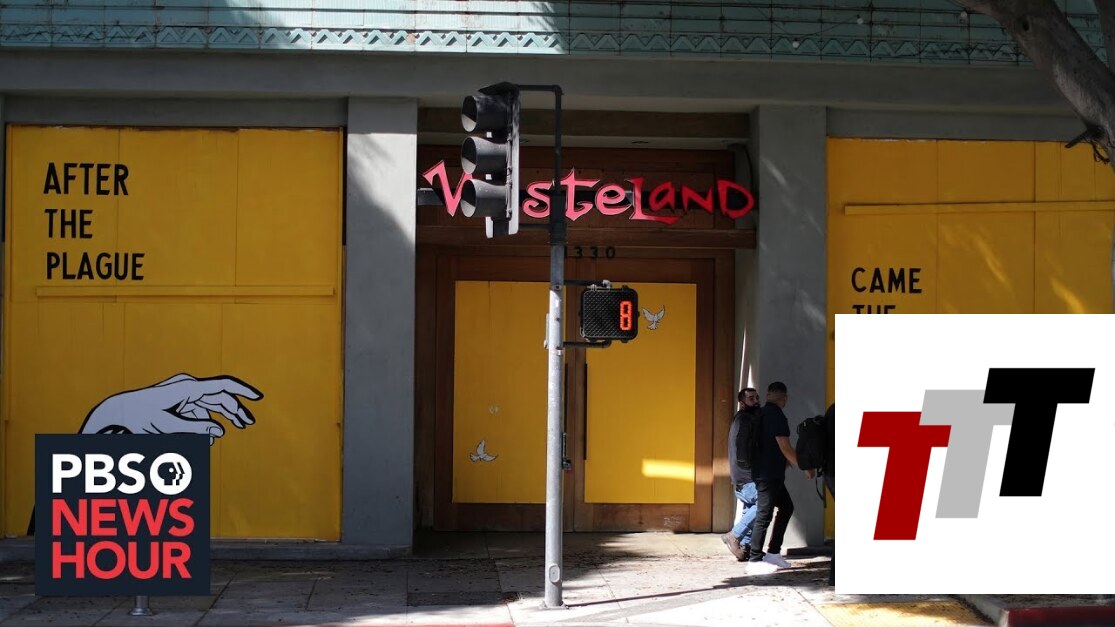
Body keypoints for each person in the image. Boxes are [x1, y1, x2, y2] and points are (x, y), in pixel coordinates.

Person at [746, 381, 808, 571]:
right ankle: (754, 560)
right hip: (769, 474)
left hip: (765, 472)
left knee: (786, 507)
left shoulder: (762, 413)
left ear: (768, 395)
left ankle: (773, 553)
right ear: (785, 398)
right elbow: (785, 446)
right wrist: (804, 466)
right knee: (764, 514)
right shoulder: (777, 416)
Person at [722, 387, 761, 561]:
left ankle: (744, 548)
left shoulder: (742, 418)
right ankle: (735, 535)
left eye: (756, 397)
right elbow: (742, 449)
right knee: (763, 504)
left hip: (741, 475)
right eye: (751, 398)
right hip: (747, 475)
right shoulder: (745, 420)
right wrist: (751, 469)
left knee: (749, 509)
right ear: (742, 402)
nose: (756, 401)